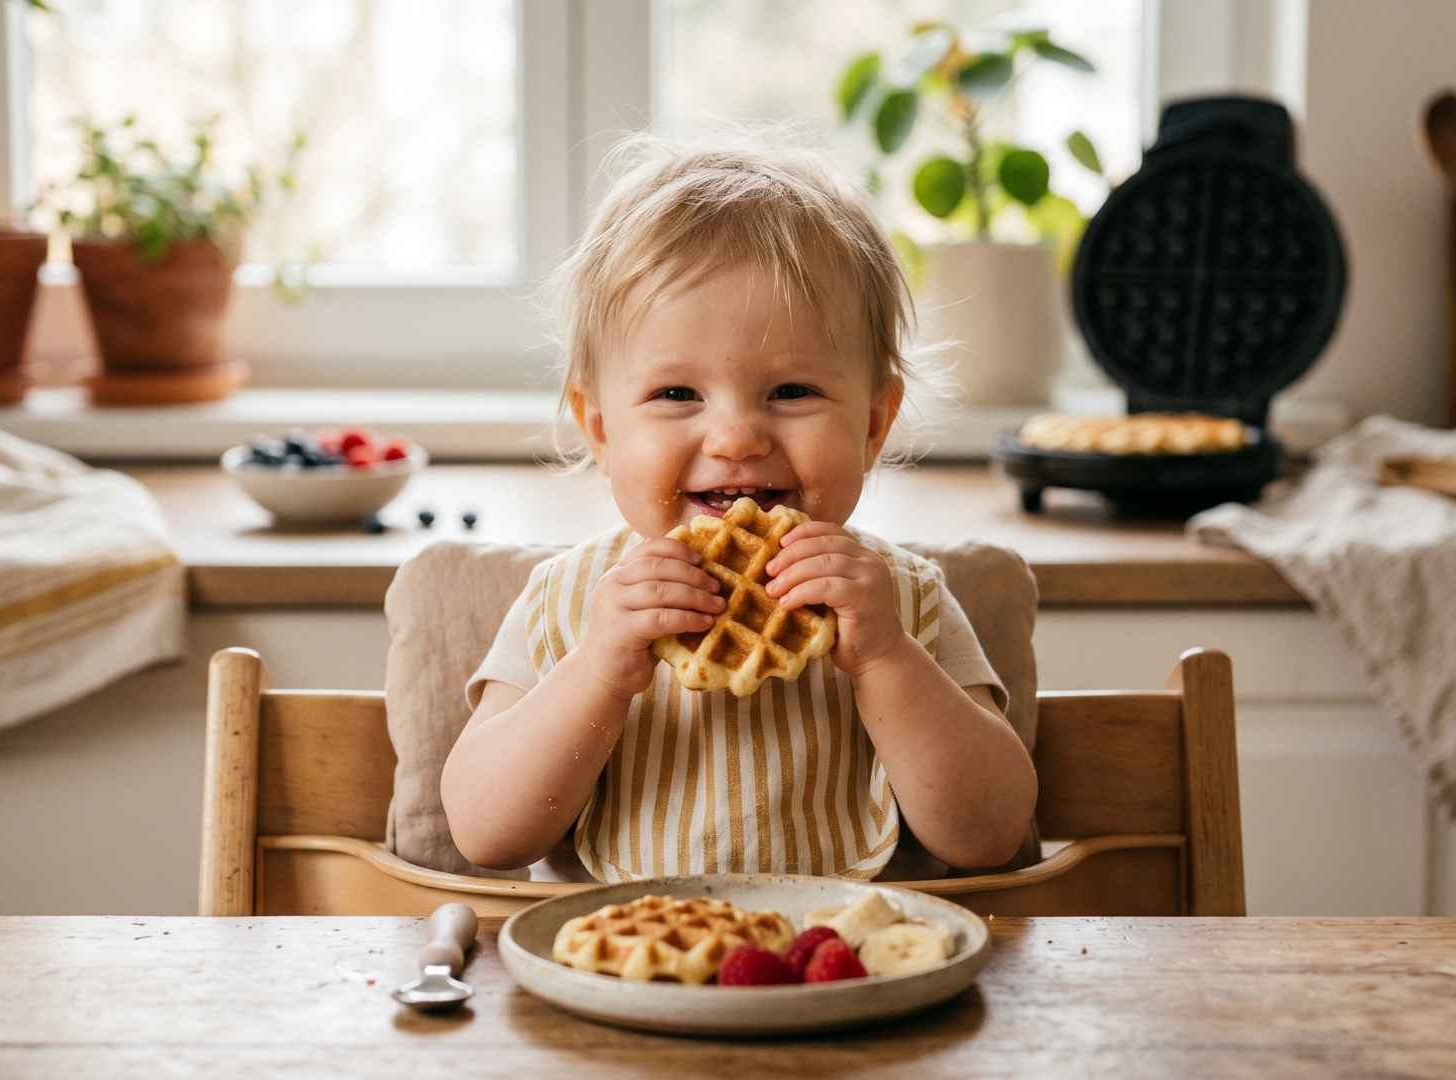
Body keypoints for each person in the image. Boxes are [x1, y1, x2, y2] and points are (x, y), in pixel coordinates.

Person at [441, 138, 1037, 881]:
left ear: (874, 424)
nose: (735, 438)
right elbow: (482, 832)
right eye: (676, 394)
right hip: (623, 981)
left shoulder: (901, 601)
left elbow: (990, 835)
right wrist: (597, 669)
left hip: (855, 977)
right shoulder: (566, 605)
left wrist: (887, 657)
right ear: (599, 427)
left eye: (791, 392)